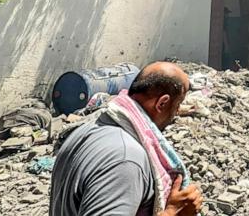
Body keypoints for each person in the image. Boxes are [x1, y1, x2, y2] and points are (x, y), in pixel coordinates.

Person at [51, 62, 203, 215]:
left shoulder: (85, 131)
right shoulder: (126, 159)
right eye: (178, 104)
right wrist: (172, 212)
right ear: (162, 103)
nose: (176, 112)